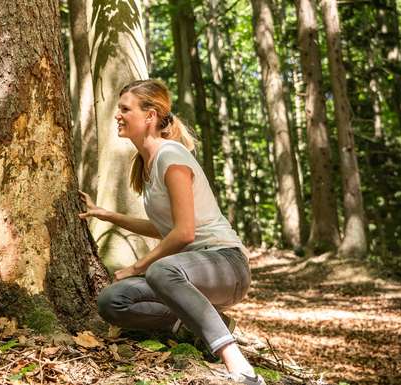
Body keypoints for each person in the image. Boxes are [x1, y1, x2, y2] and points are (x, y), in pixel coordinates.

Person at [79, 79, 265, 385]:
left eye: (125, 109)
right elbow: (164, 227)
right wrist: (106, 214)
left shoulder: (171, 156)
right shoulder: (148, 163)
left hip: (226, 265)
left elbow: (185, 232)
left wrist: (138, 267)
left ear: (150, 115)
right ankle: (201, 323)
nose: (117, 115)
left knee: (160, 270)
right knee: (112, 300)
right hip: (185, 273)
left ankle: (239, 366)